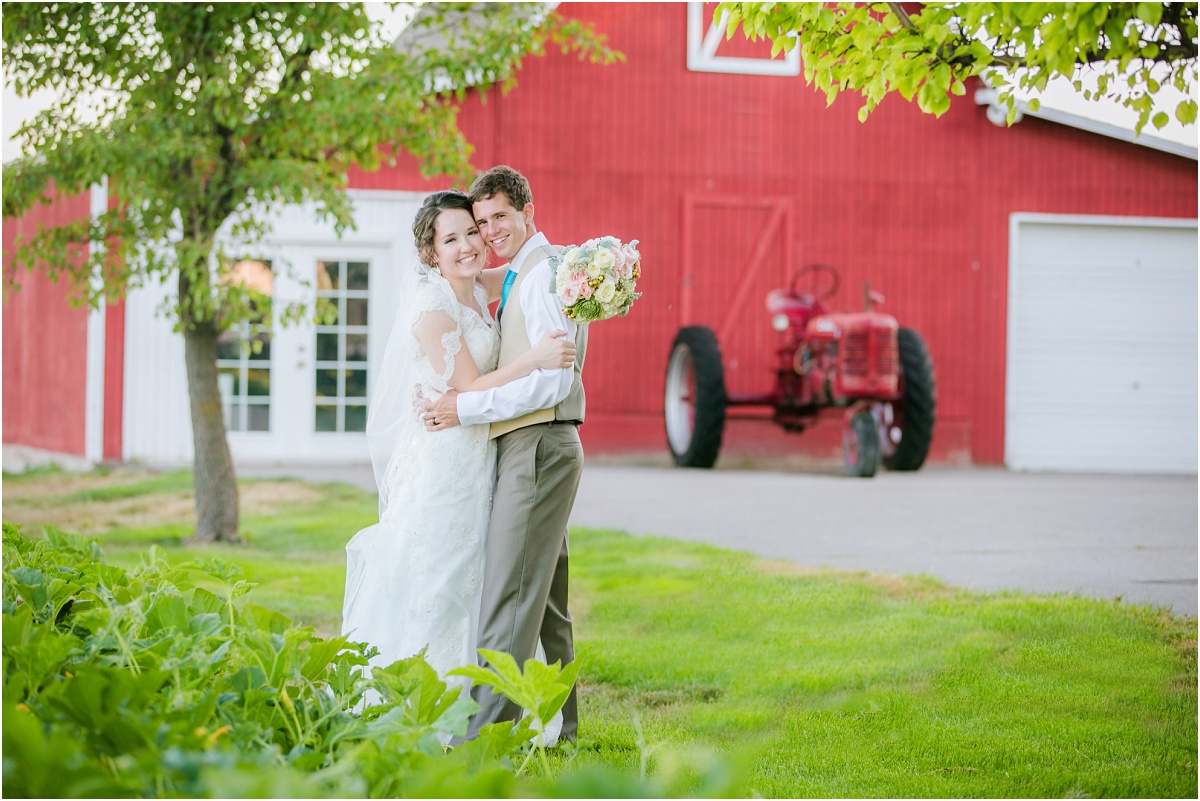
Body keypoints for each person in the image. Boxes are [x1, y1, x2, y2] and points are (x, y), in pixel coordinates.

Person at [340, 190, 575, 718]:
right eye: (452, 239)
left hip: (478, 454)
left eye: (473, 231)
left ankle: (484, 703)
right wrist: (535, 358)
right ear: (430, 253)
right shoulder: (431, 307)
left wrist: (590, 268)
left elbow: (537, 259)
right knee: (439, 574)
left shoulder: (474, 286)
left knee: (480, 575)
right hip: (444, 461)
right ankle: (425, 705)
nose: (470, 244)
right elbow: (467, 385)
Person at [422, 166, 586, 743]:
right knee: (544, 601)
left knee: (509, 596)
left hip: (537, 442)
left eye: (499, 218)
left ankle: (485, 740)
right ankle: (561, 729)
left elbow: (550, 383)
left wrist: (461, 409)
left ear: (527, 212)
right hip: (539, 443)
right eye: (481, 220)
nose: (488, 232)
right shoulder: (527, 272)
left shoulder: (541, 276)